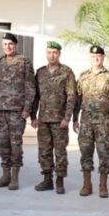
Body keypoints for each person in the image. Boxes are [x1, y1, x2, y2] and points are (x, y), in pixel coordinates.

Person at [73, 45, 109, 198]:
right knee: (85, 153)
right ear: (90, 58)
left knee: (104, 154)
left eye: (99, 56)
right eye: (94, 56)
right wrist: (75, 118)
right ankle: (87, 185)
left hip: (103, 123)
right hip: (86, 122)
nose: (96, 59)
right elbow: (77, 99)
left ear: (103, 58)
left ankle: (103, 186)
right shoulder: (83, 76)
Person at [31, 41, 76, 195]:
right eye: (49, 52)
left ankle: (60, 181)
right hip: (43, 119)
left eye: (55, 53)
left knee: (60, 152)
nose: (52, 55)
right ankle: (47, 179)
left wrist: (67, 118)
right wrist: (33, 115)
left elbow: (71, 96)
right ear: (46, 54)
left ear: (59, 54)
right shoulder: (40, 72)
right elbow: (36, 96)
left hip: (59, 120)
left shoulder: (66, 72)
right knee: (44, 150)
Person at [0, 33, 35, 190]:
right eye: (5, 44)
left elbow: (30, 86)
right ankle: (6, 175)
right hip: (1, 111)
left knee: (15, 144)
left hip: (17, 111)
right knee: (3, 143)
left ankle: (15, 177)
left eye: (10, 44)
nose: (7, 47)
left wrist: (27, 108)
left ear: (15, 45)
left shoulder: (24, 62)